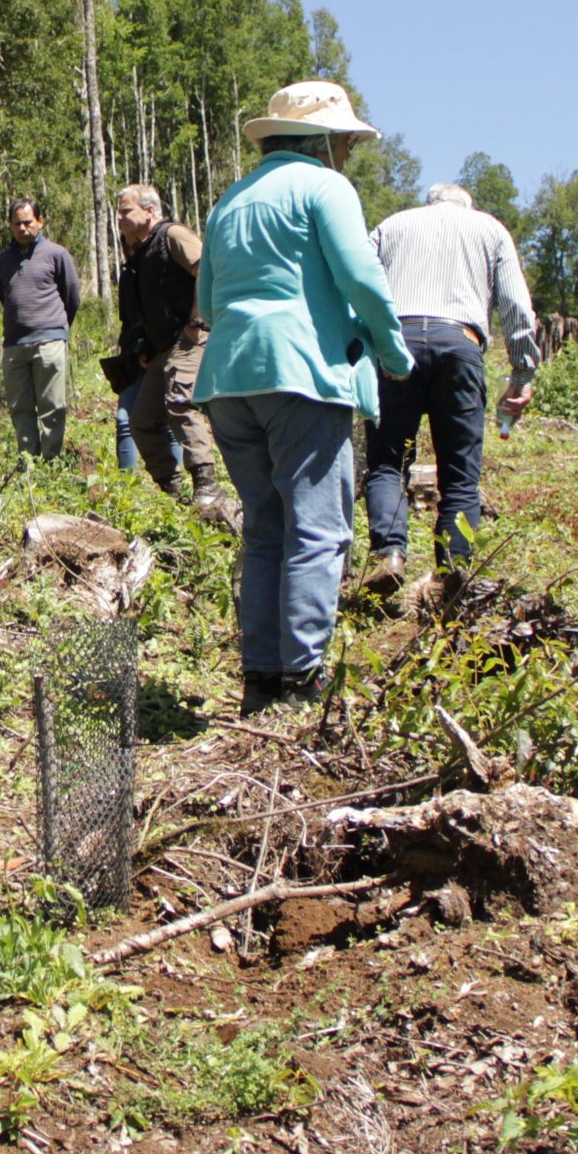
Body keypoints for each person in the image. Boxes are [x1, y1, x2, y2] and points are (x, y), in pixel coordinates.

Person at [194, 80, 410, 717]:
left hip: (230, 381)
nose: (348, 155)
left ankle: (260, 678)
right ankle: (302, 679)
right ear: (326, 141)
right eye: (345, 143)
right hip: (302, 375)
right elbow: (361, 273)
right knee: (317, 530)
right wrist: (393, 353)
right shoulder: (325, 187)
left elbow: (206, 302)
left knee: (265, 527)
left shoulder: (230, 202)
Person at [360, 182, 540, 590]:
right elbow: (515, 306)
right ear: (466, 204)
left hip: (396, 343)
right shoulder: (490, 229)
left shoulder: (392, 226)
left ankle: (389, 554)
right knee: (460, 475)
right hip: (460, 345)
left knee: (388, 462)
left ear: (429, 201)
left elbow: (357, 284)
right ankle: (452, 572)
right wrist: (521, 374)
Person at [113, 184, 227, 514]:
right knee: (141, 420)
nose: (120, 217)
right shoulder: (140, 251)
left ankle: (206, 484)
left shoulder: (173, 235)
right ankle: (171, 491)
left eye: (126, 211)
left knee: (180, 402)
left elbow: (206, 269)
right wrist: (144, 344)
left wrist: (198, 317)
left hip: (189, 339)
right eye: (119, 211)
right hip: (160, 346)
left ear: (149, 210)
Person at [0, 199, 80, 459]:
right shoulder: (3, 261)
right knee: (20, 407)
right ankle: (28, 463)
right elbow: (4, 295)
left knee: (52, 405)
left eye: (28, 222)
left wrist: (58, 328)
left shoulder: (57, 254)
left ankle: (50, 462)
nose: (22, 227)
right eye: (17, 223)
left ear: (40, 222)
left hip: (49, 341)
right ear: (10, 225)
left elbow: (72, 296)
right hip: (15, 345)